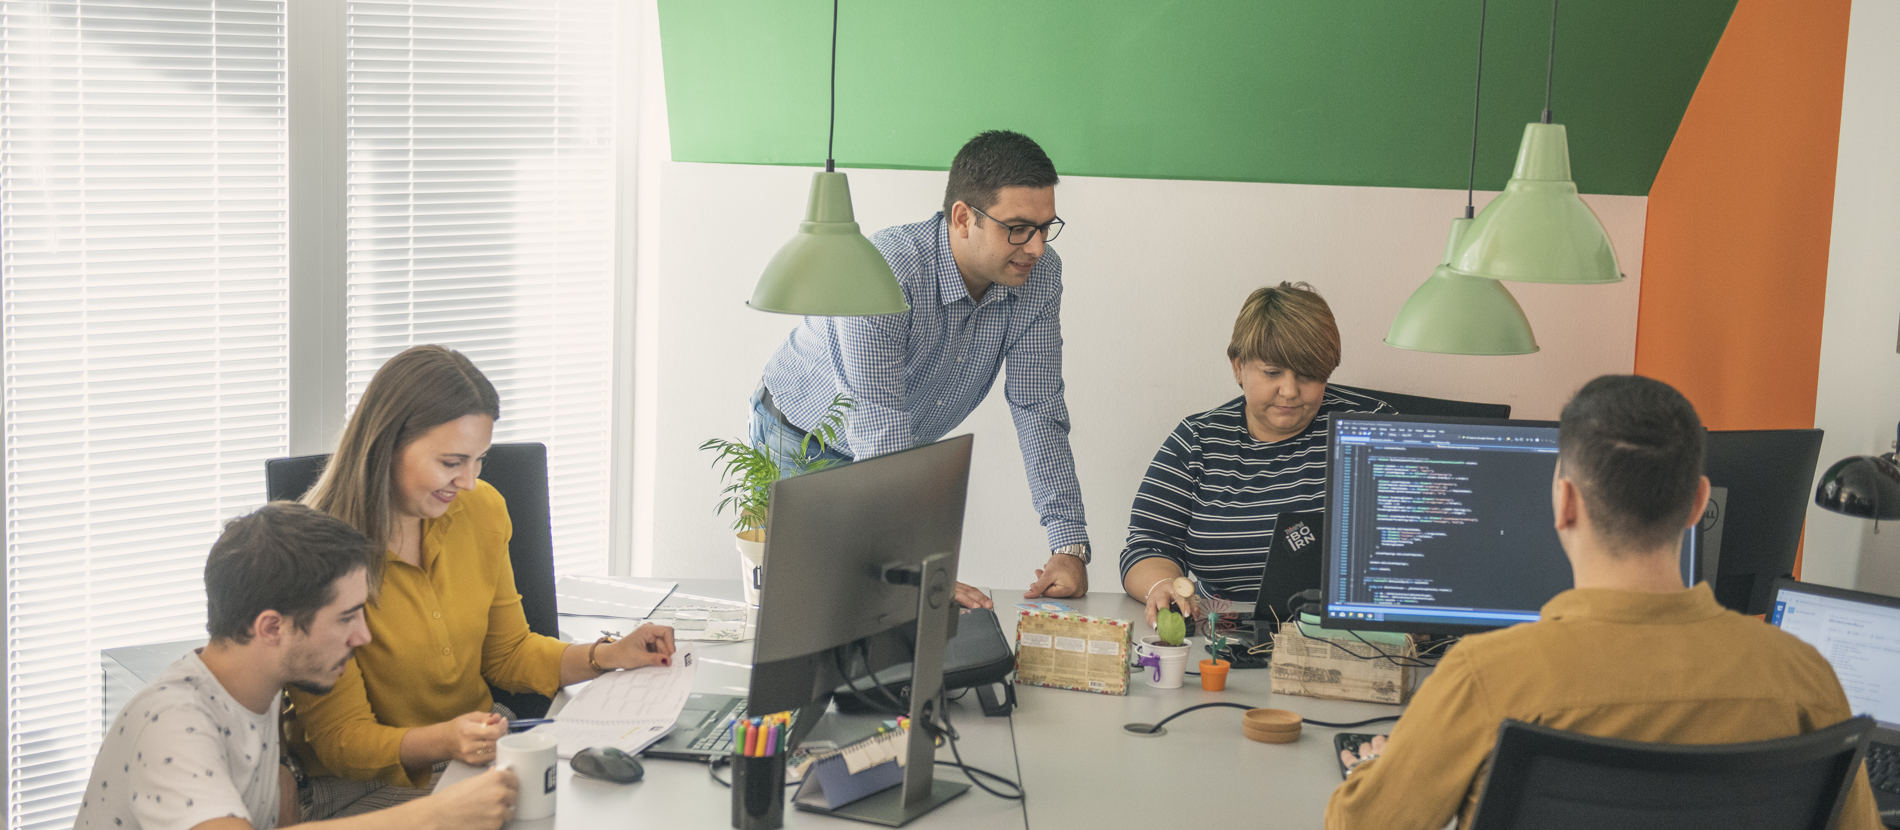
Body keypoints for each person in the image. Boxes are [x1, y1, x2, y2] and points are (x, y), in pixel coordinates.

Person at [1324, 375, 1883, 830]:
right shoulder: (1804, 677)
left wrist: (1374, 772)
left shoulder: (1485, 678)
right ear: (1698, 504)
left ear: (1564, 502)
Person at [286, 345, 676, 818]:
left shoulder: (481, 509)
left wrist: (608, 655)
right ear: (388, 444)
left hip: (475, 751)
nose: (468, 482)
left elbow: (508, 653)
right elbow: (340, 740)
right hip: (360, 785)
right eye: (451, 463)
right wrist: (444, 740)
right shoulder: (313, 553)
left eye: (480, 460)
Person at [756, 130, 1088, 611]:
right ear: (962, 219)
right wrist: (917, 567)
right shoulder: (886, 269)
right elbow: (878, 417)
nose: (1035, 247)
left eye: (1044, 227)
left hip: (893, 450)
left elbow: (1038, 406)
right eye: (1017, 227)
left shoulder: (1039, 278)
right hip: (799, 437)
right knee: (811, 613)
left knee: (887, 616)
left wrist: (1069, 545)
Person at [76, 502, 521, 830]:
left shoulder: (256, 686)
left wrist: (286, 772)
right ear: (271, 628)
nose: (362, 636)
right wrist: (437, 814)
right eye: (346, 617)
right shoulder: (171, 725)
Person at [1118, 282, 1390, 627]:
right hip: (1225, 636)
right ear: (1238, 367)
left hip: (1352, 635)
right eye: (1272, 372)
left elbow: (1423, 538)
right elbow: (1148, 543)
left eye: (1308, 375)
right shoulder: (1197, 440)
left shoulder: (1373, 431)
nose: (1289, 391)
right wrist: (1163, 585)